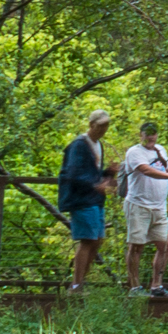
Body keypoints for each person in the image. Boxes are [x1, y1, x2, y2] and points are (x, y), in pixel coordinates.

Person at [118, 128, 168, 300]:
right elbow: (146, 170)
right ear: (141, 135)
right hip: (138, 206)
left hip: (159, 207)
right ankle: (135, 287)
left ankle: (156, 286)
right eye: (148, 134)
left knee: (166, 244)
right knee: (137, 246)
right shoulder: (134, 152)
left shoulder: (160, 150)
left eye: (154, 134)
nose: (151, 137)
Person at [58, 110, 111, 294]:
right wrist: (96, 185)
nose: (103, 129)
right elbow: (72, 173)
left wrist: (109, 174)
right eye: (100, 125)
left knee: (97, 240)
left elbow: (94, 173)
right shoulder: (79, 145)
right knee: (88, 240)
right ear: (91, 125)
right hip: (81, 200)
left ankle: (81, 283)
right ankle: (75, 285)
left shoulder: (98, 145)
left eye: (106, 125)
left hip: (96, 200)